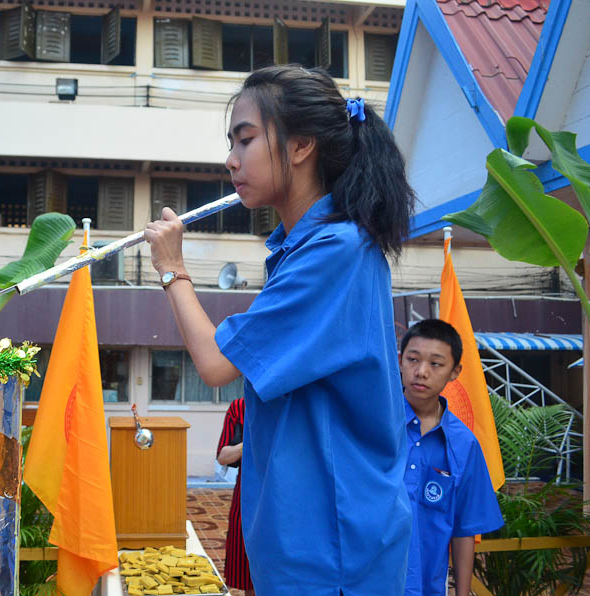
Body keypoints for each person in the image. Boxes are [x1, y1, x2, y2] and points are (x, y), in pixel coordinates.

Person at [144, 64, 416, 595]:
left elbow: (215, 364)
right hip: (306, 541)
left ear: (301, 146)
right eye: (232, 143)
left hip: (333, 547)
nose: (231, 159)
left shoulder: (335, 252)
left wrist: (172, 268)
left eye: (245, 140)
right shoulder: (308, 249)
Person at [399, 320, 503, 596]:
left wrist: (462, 593)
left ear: (455, 372)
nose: (421, 372)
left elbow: (464, 527)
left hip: (427, 586)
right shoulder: (373, 425)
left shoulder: (464, 444)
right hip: (368, 583)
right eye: (413, 359)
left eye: (436, 364)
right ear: (399, 361)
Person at [216, 396, 254, 595]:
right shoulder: (240, 407)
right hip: (249, 489)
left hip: (287, 491)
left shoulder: (294, 405)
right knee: (248, 562)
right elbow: (223, 456)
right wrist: (248, 442)